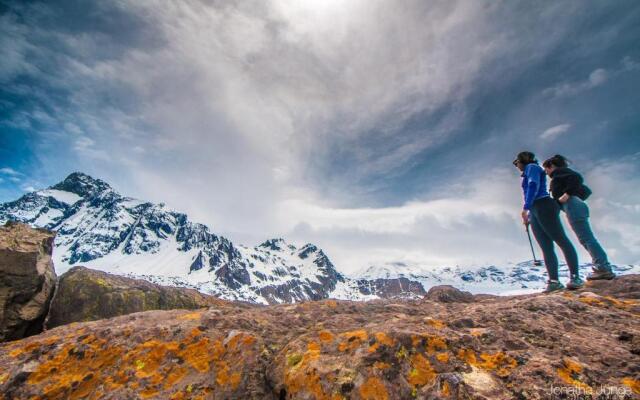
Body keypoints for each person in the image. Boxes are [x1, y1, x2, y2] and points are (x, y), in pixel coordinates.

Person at [513, 151, 583, 292]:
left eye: (517, 163)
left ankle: (575, 277)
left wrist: (526, 208)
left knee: (561, 240)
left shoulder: (531, 168)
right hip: (535, 208)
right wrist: (528, 211)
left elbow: (533, 185)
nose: (516, 166)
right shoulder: (530, 170)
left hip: (543, 204)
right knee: (546, 246)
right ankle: (553, 281)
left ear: (522, 161)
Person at [542, 155, 615, 280]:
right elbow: (586, 190)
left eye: (546, 169)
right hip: (575, 205)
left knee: (586, 238)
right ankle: (601, 266)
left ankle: (602, 267)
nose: (546, 172)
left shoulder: (560, 173)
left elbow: (577, 178)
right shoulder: (562, 175)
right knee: (586, 238)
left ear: (552, 166)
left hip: (572, 205)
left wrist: (567, 194)